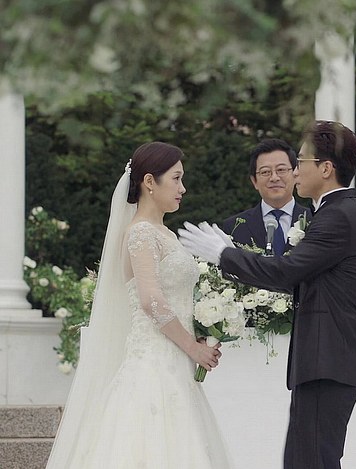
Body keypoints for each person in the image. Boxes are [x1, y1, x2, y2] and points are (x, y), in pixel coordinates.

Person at [179, 121, 356, 469]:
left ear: (326, 168)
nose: (295, 172)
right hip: (325, 361)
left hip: (328, 361)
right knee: (304, 459)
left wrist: (224, 255)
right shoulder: (334, 211)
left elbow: (286, 271)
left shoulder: (336, 216)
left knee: (311, 460)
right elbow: (297, 279)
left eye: (301, 162)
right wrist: (231, 255)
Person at [46, 142, 231, 468]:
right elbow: (151, 300)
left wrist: (199, 334)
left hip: (176, 362)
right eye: (176, 179)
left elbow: (174, 299)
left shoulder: (165, 234)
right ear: (149, 182)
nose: (183, 188)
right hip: (153, 362)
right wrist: (192, 347)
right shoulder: (141, 233)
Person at [222, 138, 310, 254]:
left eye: (281, 170)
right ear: (254, 181)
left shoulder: (315, 220)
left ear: (295, 174)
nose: (274, 178)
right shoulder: (234, 227)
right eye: (265, 172)